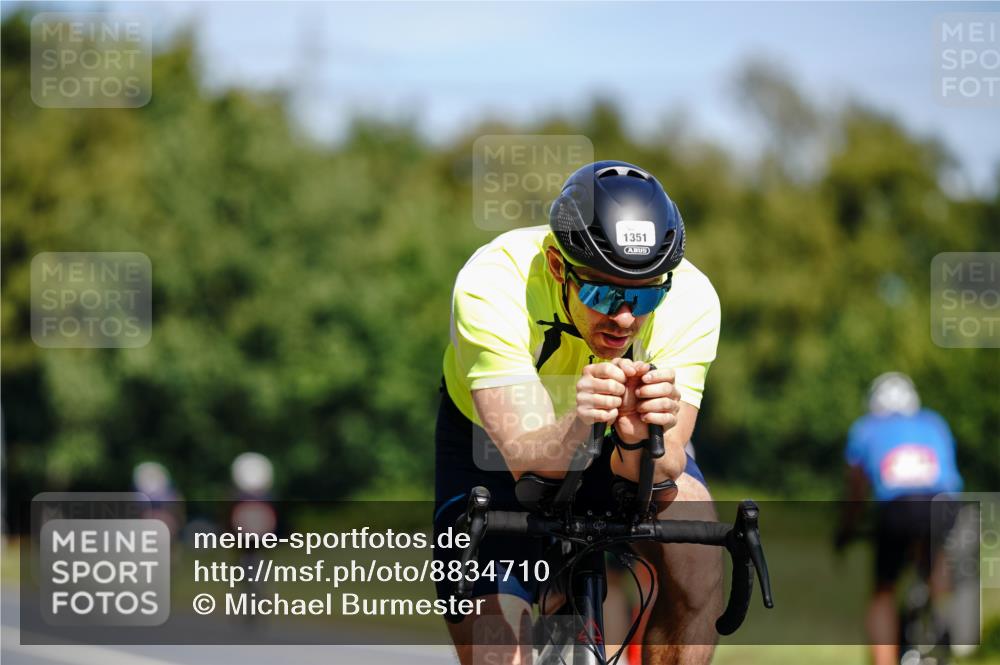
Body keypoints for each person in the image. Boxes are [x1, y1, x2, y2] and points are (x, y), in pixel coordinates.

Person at [433, 161, 723, 665]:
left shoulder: (692, 297)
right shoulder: (494, 281)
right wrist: (580, 421)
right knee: (496, 651)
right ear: (555, 267)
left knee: (698, 566)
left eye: (645, 294)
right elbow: (526, 458)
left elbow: (667, 464)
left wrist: (636, 440)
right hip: (497, 445)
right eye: (603, 292)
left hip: (616, 441)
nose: (625, 318)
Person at [835, 372, 964, 665]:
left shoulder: (866, 428)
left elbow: (856, 490)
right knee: (935, 567)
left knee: (884, 590)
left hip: (897, 508)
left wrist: (846, 528)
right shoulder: (935, 423)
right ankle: (945, 620)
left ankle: (885, 660)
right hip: (942, 506)